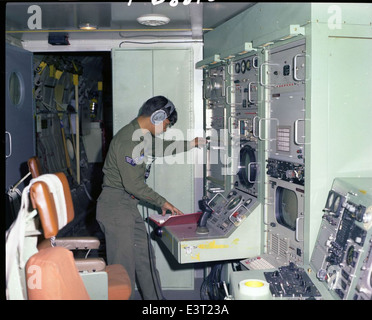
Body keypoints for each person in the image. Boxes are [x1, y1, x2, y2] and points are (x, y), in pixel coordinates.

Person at [96, 96, 205, 300]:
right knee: (123, 270)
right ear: (158, 116)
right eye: (167, 123)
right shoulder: (129, 140)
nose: (166, 128)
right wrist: (163, 202)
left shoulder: (141, 135)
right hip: (116, 207)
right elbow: (133, 185)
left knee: (145, 257)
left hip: (126, 206)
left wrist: (192, 143)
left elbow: (161, 148)